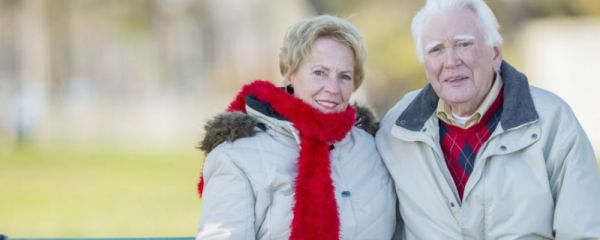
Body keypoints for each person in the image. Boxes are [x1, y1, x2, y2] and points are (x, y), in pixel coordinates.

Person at [376, 0, 600, 239]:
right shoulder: (397, 130)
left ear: (495, 53)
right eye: (436, 50)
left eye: (463, 44)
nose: (451, 61)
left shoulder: (552, 120)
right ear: (425, 64)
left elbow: (583, 230)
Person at [195, 15, 396, 240]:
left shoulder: (374, 148)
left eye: (344, 76)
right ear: (290, 73)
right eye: (319, 72)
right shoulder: (236, 156)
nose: (332, 88)